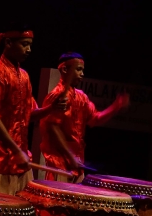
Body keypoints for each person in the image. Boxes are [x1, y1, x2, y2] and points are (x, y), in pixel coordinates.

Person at [0, 27, 64, 194]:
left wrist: (51, 109)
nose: (29, 50)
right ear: (8, 43)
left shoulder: (24, 76)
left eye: (30, 45)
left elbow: (28, 116)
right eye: (24, 44)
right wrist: (16, 150)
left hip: (20, 162)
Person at [38, 52, 130, 182]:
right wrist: (70, 156)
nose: (82, 74)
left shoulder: (82, 97)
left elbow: (95, 119)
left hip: (76, 164)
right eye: (78, 69)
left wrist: (116, 107)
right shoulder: (57, 96)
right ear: (64, 69)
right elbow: (52, 128)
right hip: (59, 166)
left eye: (82, 70)